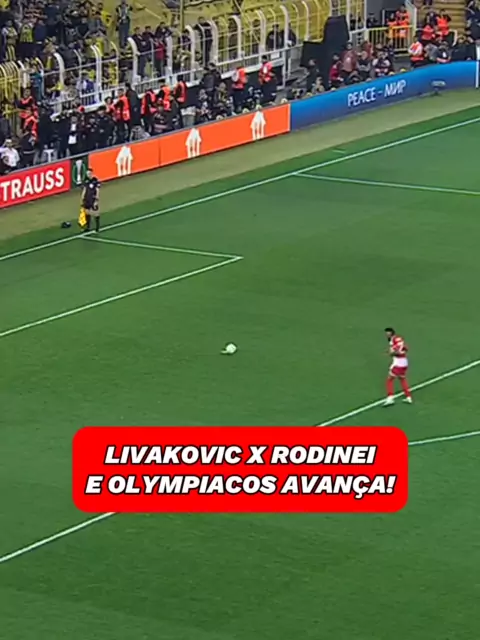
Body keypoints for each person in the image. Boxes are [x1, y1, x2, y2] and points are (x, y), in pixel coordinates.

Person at [384, 327, 413, 406]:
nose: (386, 334)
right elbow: (406, 348)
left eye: (387, 333)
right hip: (404, 362)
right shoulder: (398, 339)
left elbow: (396, 351)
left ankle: (390, 398)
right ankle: (408, 397)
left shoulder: (393, 340)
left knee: (389, 380)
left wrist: (391, 353)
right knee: (402, 379)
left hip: (398, 363)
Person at [81, 168, 101, 233]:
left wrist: (96, 200)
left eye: (89, 173)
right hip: (87, 198)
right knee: (87, 212)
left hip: (93, 198)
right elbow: (84, 189)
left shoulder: (95, 180)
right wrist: (82, 198)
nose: (88, 175)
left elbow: (97, 190)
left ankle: (97, 227)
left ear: (92, 173)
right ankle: (88, 227)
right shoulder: (86, 180)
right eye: (87, 174)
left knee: (96, 213)